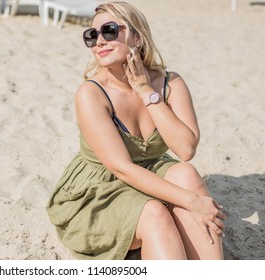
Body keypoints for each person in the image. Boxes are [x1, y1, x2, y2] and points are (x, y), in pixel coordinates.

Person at [46, 1, 226, 260]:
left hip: (149, 168)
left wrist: (146, 92)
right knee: (155, 213)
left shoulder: (169, 83)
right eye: (91, 35)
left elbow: (185, 149)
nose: (99, 41)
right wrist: (192, 202)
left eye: (109, 31)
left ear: (137, 37)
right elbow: (122, 168)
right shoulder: (91, 93)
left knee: (186, 174)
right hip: (100, 187)